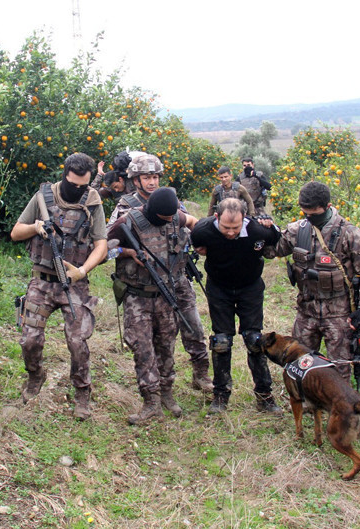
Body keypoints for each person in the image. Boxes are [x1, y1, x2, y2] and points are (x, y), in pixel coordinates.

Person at [10, 152, 107, 420]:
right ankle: (35, 376)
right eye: (72, 184)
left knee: (78, 342)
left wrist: (83, 271)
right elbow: (16, 232)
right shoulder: (44, 196)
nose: (77, 189)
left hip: (74, 283)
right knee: (30, 340)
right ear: (64, 175)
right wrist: (37, 227)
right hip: (42, 281)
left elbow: (101, 244)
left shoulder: (93, 202)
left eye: (83, 185)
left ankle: (82, 391)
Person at [108, 154, 213, 392]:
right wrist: (127, 252)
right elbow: (105, 246)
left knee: (193, 326)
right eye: (147, 177)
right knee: (154, 339)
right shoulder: (125, 207)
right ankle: (156, 387)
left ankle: (202, 374)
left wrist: (199, 243)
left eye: (155, 177)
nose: (152, 182)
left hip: (177, 277)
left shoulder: (171, 202)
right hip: (145, 284)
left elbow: (189, 223)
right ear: (136, 180)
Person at [265, 181, 360, 382]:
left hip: (339, 313)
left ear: (327, 206)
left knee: (339, 369)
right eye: (304, 212)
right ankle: (305, 402)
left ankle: (339, 407)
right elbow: (274, 250)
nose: (309, 217)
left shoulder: (349, 233)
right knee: (299, 363)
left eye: (313, 213)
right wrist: (264, 230)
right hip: (307, 309)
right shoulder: (298, 230)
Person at [108, 187, 198, 424]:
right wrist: (127, 252)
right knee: (142, 348)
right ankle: (151, 402)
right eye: (165, 219)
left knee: (167, 344)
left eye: (172, 218)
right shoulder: (126, 221)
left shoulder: (173, 216)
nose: (170, 222)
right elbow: (100, 248)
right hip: (137, 297)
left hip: (165, 294)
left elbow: (192, 222)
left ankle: (167, 393)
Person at [190, 198, 282, 415]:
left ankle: (264, 396)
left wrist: (270, 224)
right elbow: (195, 242)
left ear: (245, 219)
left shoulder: (258, 230)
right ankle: (220, 395)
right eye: (225, 227)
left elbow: (275, 236)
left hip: (249, 287)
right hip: (219, 288)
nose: (230, 232)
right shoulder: (202, 231)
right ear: (216, 218)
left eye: (235, 227)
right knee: (221, 341)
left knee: (254, 340)